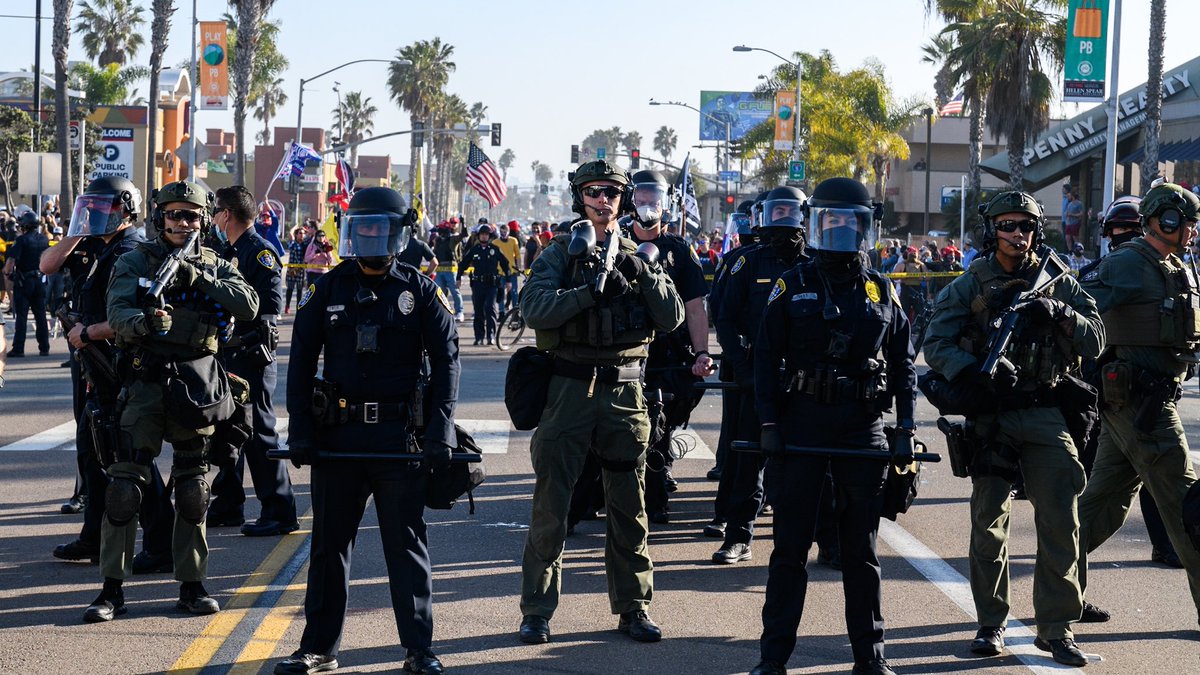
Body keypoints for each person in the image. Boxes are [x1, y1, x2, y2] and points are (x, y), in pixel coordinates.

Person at [276, 187, 458, 675]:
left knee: (406, 546)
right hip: (338, 437)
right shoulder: (328, 288)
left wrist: (441, 433)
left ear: (400, 233)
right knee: (329, 547)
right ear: (350, 230)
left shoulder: (420, 290)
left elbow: (446, 363)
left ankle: (419, 648)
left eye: (381, 228)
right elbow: (298, 364)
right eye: (364, 227)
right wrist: (301, 431)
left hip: (399, 439)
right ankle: (318, 647)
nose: (372, 236)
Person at [923, 190, 1104, 666]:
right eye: (1007, 225)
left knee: (1061, 518)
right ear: (992, 230)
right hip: (992, 415)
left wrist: (1062, 315)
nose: (1017, 234)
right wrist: (972, 369)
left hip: (1045, 411)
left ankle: (1057, 628)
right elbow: (935, 342)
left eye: (1025, 226)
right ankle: (991, 624)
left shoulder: (1058, 280)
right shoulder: (972, 283)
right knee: (988, 523)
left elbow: (1098, 339)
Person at [749, 177, 913, 675]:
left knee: (860, 552)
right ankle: (772, 658)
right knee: (790, 550)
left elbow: (903, 365)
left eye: (850, 223)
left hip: (861, 429)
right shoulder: (791, 284)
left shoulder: (882, 289)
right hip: (800, 424)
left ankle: (870, 658)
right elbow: (764, 359)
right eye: (831, 221)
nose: (840, 231)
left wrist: (904, 430)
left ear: (866, 228)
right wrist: (770, 423)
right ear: (815, 223)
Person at [517, 159, 684, 646]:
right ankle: (537, 612)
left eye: (612, 192)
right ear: (580, 197)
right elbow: (534, 308)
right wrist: (587, 293)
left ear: (623, 198)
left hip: (625, 391)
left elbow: (672, 318)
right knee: (552, 506)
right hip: (569, 388)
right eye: (594, 192)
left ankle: (634, 608)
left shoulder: (641, 253)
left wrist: (644, 272)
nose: (603, 200)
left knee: (629, 507)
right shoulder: (557, 255)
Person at [85, 180, 259, 622]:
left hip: (197, 383)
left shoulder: (217, 263)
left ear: (204, 220)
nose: (183, 223)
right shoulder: (133, 260)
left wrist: (196, 276)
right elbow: (118, 314)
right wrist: (147, 322)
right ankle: (111, 590)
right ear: (159, 217)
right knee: (124, 489)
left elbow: (249, 305)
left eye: (192, 216)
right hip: (145, 384)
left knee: (192, 490)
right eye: (175, 215)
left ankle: (193, 585)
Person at [1076, 183, 1200, 626]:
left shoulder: (1176, 267)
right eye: (1180, 221)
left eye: (1192, 222)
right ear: (1159, 220)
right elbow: (1077, 307)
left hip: (1144, 403)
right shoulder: (1129, 263)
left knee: (1102, 505)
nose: (1189, 229)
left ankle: (1057, 593)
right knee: (1190, 509)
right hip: (1140, 406)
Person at [42, 176, 176, 574]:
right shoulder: (92, 245)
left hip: (122, 367)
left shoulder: (132, 251)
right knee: (92, 452)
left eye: (106, 208)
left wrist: (87, 333)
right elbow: (48, 264)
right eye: (94, 207)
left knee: (128, 455)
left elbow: (135, 318)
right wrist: (77, 227)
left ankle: (161, 541)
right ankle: (94, 536)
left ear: (127, 209)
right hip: (95, 368)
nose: (98, 214)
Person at [712, 186, 832, 567]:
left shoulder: (819, 263)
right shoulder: (744, 263)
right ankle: (738, 537)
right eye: (775, 212)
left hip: (805, 381)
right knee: (748, 458)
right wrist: (743, 368)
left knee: (818, 463)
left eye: (790, 213)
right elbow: (725, 319)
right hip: (756, 377)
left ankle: (829, 542)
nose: (783, 221)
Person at [207, 186, 299, 537]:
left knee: (260, 433)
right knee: (225, 431)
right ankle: (228, 503)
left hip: (251, 354)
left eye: (216, 211)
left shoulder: (259, 253)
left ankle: (279, 509)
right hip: (225, 353)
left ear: (226, 214)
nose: (213, 218)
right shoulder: (221, 250)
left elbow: (271, 305)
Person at [4, 212, 50, 357]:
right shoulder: (44, 239)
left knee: (22, 316)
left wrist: (7, 273)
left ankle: (18, 348)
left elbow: (11, 260)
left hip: (24, 282)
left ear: (24, 225)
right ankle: (44, 347)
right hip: (40, 281)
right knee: (40, 315)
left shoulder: (22, 240)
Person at [458, 224, 510, 346]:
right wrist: (458, 277)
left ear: (489, 236)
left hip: (491, 285)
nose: (484, 236)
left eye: (486, 234)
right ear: (479, 236)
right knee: (478, 311)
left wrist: (508, 280)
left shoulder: (495, 249)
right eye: (482, 234)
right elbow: (463, 264)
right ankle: (479, 337)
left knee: (490, 309)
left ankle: (490, 336)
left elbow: (505, 264)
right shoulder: (474, 250)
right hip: (477, 284)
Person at [432, 219, 468, 321]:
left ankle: (459, 312)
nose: (439, 231)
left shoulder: (453, 239)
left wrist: (463, 223)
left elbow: (464, 234)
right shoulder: (437, 240)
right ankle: (443, 311)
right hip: (439, 270)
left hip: (451, 270)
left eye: (441, 229)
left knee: (454, 291)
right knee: (439, 292)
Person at [495, 221, 524, 312]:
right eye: (501, 232)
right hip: (499, 272)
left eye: (505, 231)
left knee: (514, 293)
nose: (503, 234)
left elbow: (518, 255)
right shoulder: (495, 242)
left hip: (512, 271)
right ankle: (501, 312)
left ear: (508, 232)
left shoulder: (513, 241)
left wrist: (519, 268)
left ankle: (515, 313)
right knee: (500, 293)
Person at [284, 227, 308, 313]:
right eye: (300, 233)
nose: (302, 235)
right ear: (296, 235)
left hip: (301, 270)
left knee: (299, 290)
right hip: (292, 270)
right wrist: (295, 227)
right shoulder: (293, 243)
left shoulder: (305, 244)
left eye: (303, 233)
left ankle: (299, 306)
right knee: (290, 289)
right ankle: (287, 306)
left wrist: (306, 231)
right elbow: (290, 233)